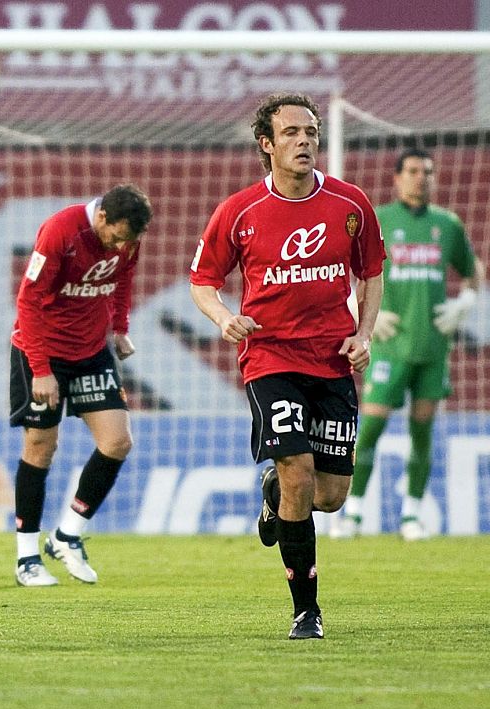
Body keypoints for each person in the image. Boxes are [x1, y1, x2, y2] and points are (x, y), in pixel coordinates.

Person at [189, 93, 385, 640]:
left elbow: (371, 274)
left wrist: (364, 333)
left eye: (311, 132)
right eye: (293, 133)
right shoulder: (240, 212)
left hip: (331, 361)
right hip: (270, 359)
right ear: (267, 145)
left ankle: (273, 492)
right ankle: (307, 610)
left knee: (329, 496)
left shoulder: (351, 206)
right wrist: (224, 317)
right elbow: (202, 281)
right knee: (301, 472)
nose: (305, 141)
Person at [335, 149, 483, 541]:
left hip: (433, 347)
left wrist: (465, 302)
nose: (422, 178)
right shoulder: (380, 219)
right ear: (397, 178)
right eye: (414, 171)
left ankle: (413, 515)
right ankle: (353, 512)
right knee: (370, 429)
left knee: (423, 430)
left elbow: (473, 273)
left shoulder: (446, 225)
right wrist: (364, 312)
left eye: (428, 172)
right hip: (389, 345)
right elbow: (345, 272)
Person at [9, 185, 151, 587]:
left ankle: (67, 534)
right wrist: (40, 369)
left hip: (91, 351)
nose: (121, 246)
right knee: (40, 447)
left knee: (118, 442)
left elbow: (123, 280)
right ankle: (26, 558)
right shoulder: (61, 231)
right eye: (117, 237)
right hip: (43, 352)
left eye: (129, 241)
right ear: (102, 217)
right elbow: (28, 301)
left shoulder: (127, 240)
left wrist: (120, 328)